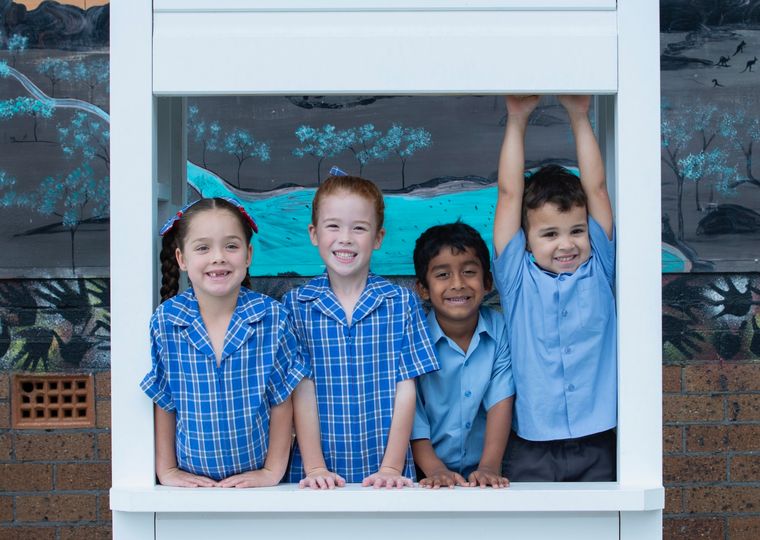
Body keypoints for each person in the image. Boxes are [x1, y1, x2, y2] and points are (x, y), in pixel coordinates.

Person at [284, 174, 439, 489]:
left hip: (385, 475)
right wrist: (315, 469)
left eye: (359, 227)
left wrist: (392, 468)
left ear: (378, 237)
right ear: (314, 234)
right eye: (333, 226)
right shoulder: (295, 306)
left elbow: (406, 389)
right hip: (315, 476)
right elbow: (301, 390)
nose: (345, 238)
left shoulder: (401, 303)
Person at [140, 197, 308, 487]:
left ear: (248, 255)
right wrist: (167, 470)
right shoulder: (166, 320)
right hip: (191, 489)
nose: (218, 257)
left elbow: (282, 400)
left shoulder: (272, 317)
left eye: (231, 246)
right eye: (203, 247)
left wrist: (271, 471)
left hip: (258, 487)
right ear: (182, 259)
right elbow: (164, 399)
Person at [493, 95, 617, 482]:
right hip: (532, 445)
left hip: (599, 441)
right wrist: (517, 118)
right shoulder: (517, 280)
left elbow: (596, 189)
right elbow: (510, 194)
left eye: (576, 231)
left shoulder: (599, 268)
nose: (566, 244)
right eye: (549, 234)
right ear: (527, 240)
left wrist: (579, 114)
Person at [411, 221, 515, 489]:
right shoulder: (413, 336)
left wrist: (489, 467)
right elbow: (413, 412)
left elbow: (501, 400)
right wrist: (434, 469)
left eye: (469, 271)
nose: (458, 284)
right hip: (424, 473)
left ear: (488, 281)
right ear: (423, 288)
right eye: (443, 275)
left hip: (487, 472)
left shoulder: (501, 331)